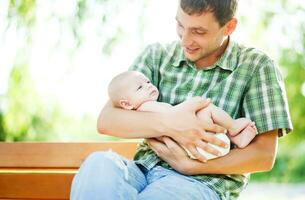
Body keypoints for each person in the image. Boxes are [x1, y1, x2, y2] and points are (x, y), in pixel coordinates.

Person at [70, 0, 293, 200]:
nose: (185, 40)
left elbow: (263, 156)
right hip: (141, 171)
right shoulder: (156, 56)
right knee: (98, 165)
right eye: (180, 25)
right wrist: (173, 123)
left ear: (229, 26)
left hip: (199, 183)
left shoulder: (256, 66)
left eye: (198, 31)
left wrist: (191, 166)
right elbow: (108, 120)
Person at [108, 70, 257, 160]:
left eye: (147, 81)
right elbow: (173, 118)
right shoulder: (145, 108)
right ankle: (233, 127)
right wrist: (190, 105)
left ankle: (234, 138)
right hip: (192, 146)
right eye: (140, 87)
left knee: (206, 116)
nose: (148, 86)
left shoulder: (146, 112)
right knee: (207, 108)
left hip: (195, 148)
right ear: (126, 104)